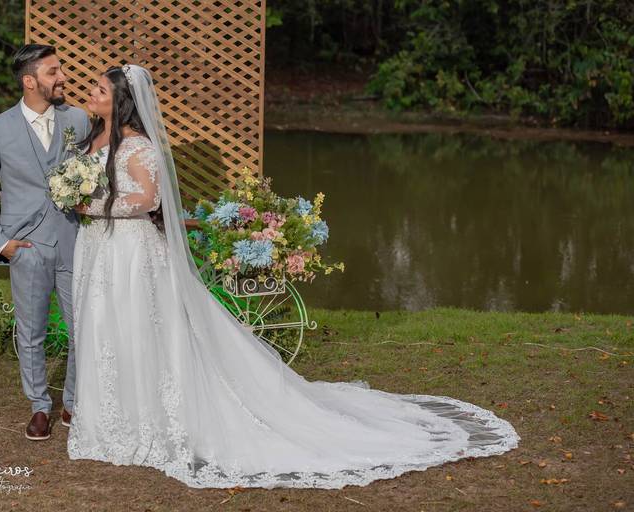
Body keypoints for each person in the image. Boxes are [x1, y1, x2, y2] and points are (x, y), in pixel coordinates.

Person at [67, 64, 519, 489]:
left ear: (121, 102)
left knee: (138, 326)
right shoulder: (94, 137)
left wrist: (95, 206)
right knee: (106, 327)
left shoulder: (139, 148)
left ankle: (147, 418)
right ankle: (111, 414)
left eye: (100, 90)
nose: (91, 92)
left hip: (130, 250)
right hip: (100, 248)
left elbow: (148, 200)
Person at [0, 44, 90, 441]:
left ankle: (72, 400)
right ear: (29, 81)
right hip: (25, 246)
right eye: (53, 71)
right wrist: (0, 242)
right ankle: (39, 406)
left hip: (73, 240)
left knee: (82, 328)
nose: (63, 77)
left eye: (61, 69)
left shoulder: (78, 120)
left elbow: (94, 171)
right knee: (31, 332)